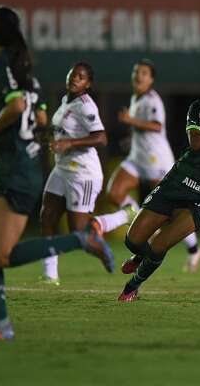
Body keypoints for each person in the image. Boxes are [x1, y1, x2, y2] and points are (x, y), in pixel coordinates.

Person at [0, 6, 115, 340]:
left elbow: (16, 107)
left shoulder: (2, 65)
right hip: (6, 166)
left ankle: (82, 238)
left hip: (17, 169)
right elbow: (40, 120)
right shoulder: (27, 73)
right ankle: (1, 324)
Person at [118, 44, 200, 301]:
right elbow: (196, 143)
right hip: (177, 183)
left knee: (159, 244)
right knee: (133, 241)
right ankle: (138, 254)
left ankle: (132, 287)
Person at [39, 61, 135, 285]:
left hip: (83, 172)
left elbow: (101, 137)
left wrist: (69, 143)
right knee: (47, 216)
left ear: (88, 84)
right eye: (72, 74)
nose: (74, 78)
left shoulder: (86, 105)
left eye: (80, 77)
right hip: (62, 168)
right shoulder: (65, 102)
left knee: (79, 233)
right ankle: (50, 275)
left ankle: (125, 215)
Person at [106, 59, 200, 272]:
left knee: (171, 209)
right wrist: (131, 138)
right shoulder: (136, 98)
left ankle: (195, 249)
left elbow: (156, 125)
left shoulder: (153, 100)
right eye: (136, 72)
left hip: (156, 160)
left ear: (151, 79)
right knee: (114, 192)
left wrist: (130, 121)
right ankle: (136, 217)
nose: (138, 76)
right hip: (137, 157)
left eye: (143, 73)